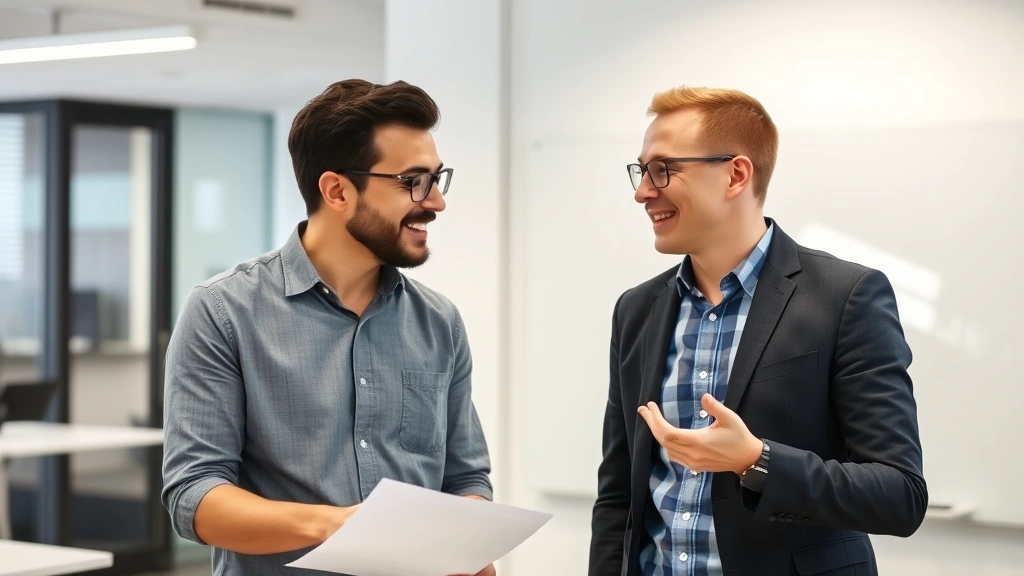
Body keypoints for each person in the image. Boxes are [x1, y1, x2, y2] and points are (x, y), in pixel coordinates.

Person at [589, 86, 927, 576]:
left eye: (662, 169)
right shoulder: (637, 309)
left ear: (736, 174)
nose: (643, 190)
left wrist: (756, 460)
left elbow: (899, 495)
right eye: (640, 171)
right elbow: (620, 493)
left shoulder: (846, 296)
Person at [162, 79, 495, 576]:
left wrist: (467, 541)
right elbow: (196, 496)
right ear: (337, 190)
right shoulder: (223, 312)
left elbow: (466, 475)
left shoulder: (439, 322)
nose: (435, 202)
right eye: (412, 181)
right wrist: (337, 526)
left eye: (436, 178)